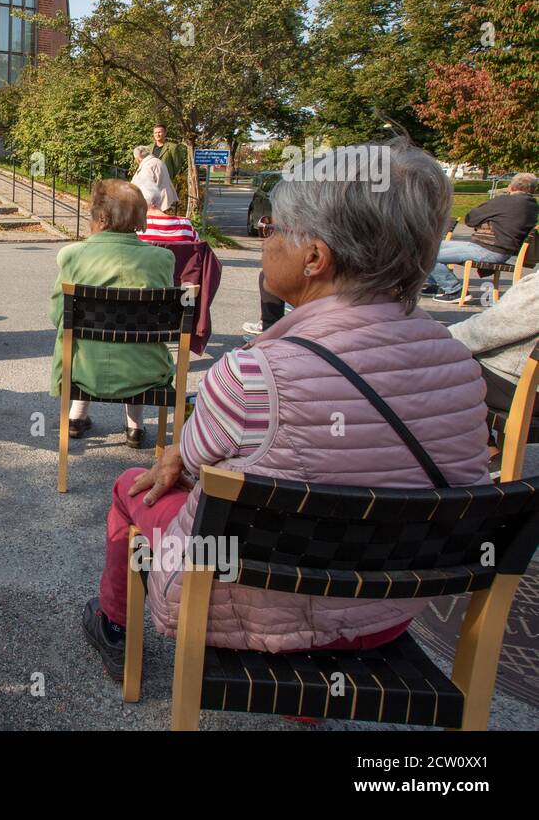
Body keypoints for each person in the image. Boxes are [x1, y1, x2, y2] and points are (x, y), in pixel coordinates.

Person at [82, 140, 491, 679]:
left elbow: (200, 463)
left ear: (315, 258)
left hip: (247, 604)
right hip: (385, 611)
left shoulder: (252, 374)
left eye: (272, 229)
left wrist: (178, 452)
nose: (264, 239)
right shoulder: (460, 369)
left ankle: (113, 625)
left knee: (133, 486)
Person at [49, 180, 175, 448]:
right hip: (145, 372)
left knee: (86, 343)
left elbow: (57, 315)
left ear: (101, 217)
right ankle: (135, 427)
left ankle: (76, 417)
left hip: (84, 371)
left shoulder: (72, 255)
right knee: (135, 344)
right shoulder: (162, 259)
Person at [424, 173, 537, 301]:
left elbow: (470, 219)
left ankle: (454, 290)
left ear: (511, 187)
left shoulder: (504, 201)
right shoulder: (532, 205)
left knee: (429, 255)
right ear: (533, 189)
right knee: (431, 247)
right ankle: (438, 284)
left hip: (489, 250)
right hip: (495, 249)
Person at [450, 269, 539, 419]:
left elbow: (483, 332)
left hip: (521, 390)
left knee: (432, 368)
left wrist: (435, 338)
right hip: (522, 384)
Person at [130, 144, 178, 214]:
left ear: (138, 158)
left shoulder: (148, 166)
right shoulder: (157, 161)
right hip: (164, 200)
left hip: (154, 205)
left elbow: (147, 189)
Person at [150, 123, 187, 190]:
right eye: (155, 132)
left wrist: (171, 179)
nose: (157, 134)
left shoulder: (172, 147)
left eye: (159, 132)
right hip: (150, 182)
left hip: (165, 182)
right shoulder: (149, 148)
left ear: (165, 133)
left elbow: (177, 166)